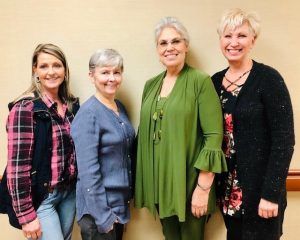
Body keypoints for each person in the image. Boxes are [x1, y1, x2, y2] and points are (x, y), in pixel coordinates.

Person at [134, 17, 227, 240]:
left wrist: (202, 189)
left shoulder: (200, 81)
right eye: (163, 43)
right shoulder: (151, 84)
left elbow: (214, 136)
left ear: (186, 45)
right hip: (161, 183)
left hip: (190, 183)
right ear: (157, 49)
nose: (170, 48)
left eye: (176, 41)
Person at [212, 8, 295, 240]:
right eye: (227, 36)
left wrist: (271, 194)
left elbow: (284, 140)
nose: (233, 42)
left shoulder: (269, 79)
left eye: (241, 36)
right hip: (228, 192)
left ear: (253, 40)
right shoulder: (214, 82)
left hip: (261, 194)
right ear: (220, 40)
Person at [6, 43, 79, 240]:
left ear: (65, 69)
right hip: (43, 198)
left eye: (57, 65)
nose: (51, 72)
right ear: (35, 70)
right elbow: (17, 168)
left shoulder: (71, 107)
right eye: (44, 66)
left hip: (69, 194)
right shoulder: (25, 109)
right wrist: (26, 216)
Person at [71, 49, 135, 240]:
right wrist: (103, 216)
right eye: (105, 72)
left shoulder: (119, 107)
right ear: (92, 76)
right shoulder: (88, 113)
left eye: (116, 72)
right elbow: (88, 171)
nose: (111, 78)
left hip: (118, 207)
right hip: (98, 213)